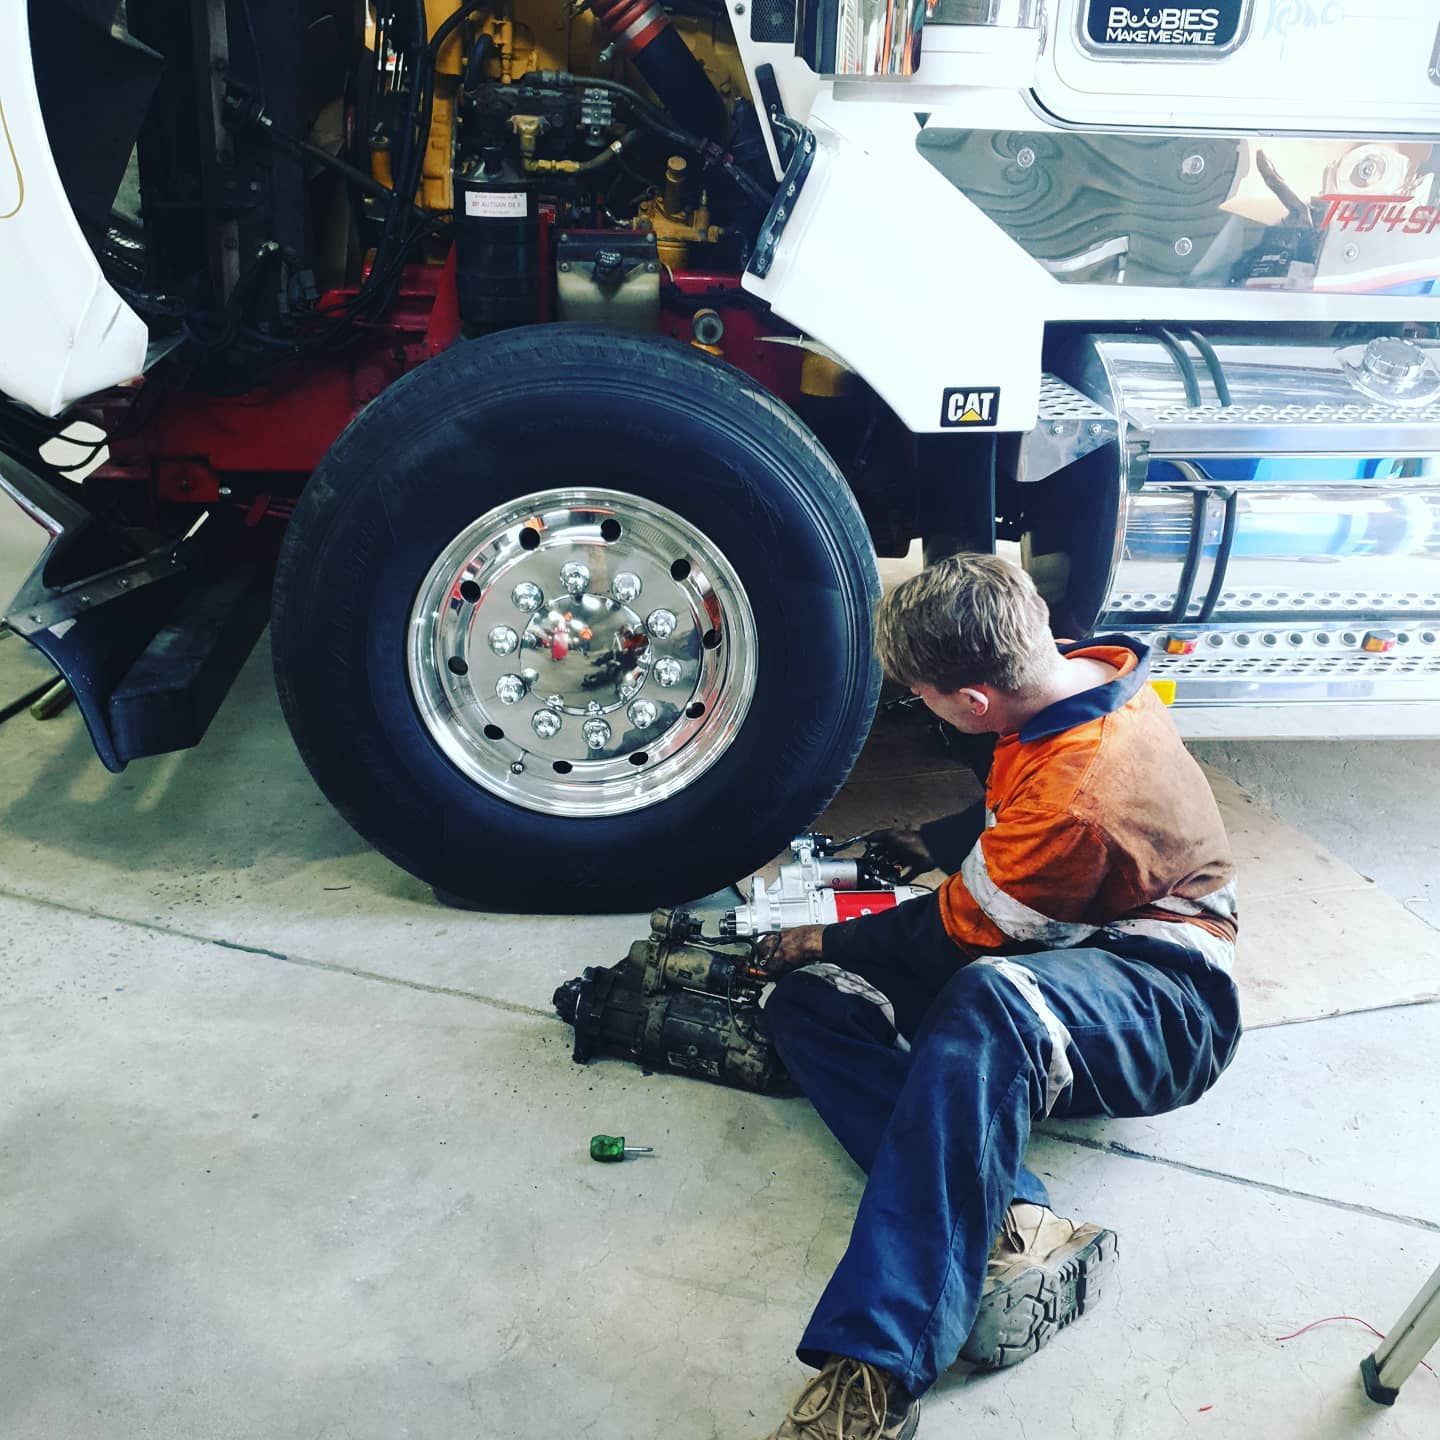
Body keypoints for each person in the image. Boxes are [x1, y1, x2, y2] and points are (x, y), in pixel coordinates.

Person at [757, 554, 1242, 1440]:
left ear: (971, 703)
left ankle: (874, 1370)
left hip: (1167, 997)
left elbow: (957, 932)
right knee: (809, 1005)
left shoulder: (1080, 797)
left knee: (989, 1001)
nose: (924, 709)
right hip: (1068, 938)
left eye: (924, 698)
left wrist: (822, 935)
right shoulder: (1079, 676)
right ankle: (1018, 1217)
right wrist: (927, 840)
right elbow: (1017, 809)